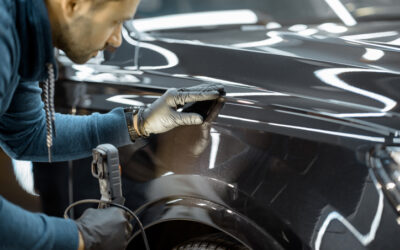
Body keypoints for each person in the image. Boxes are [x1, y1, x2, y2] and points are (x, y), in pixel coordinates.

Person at [0, 0, 223, 249]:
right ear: (72, 4)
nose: (116, 40)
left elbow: (29, 133)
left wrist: (139, 123)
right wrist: (80, 237)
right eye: (115, 22)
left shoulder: (22, 31)